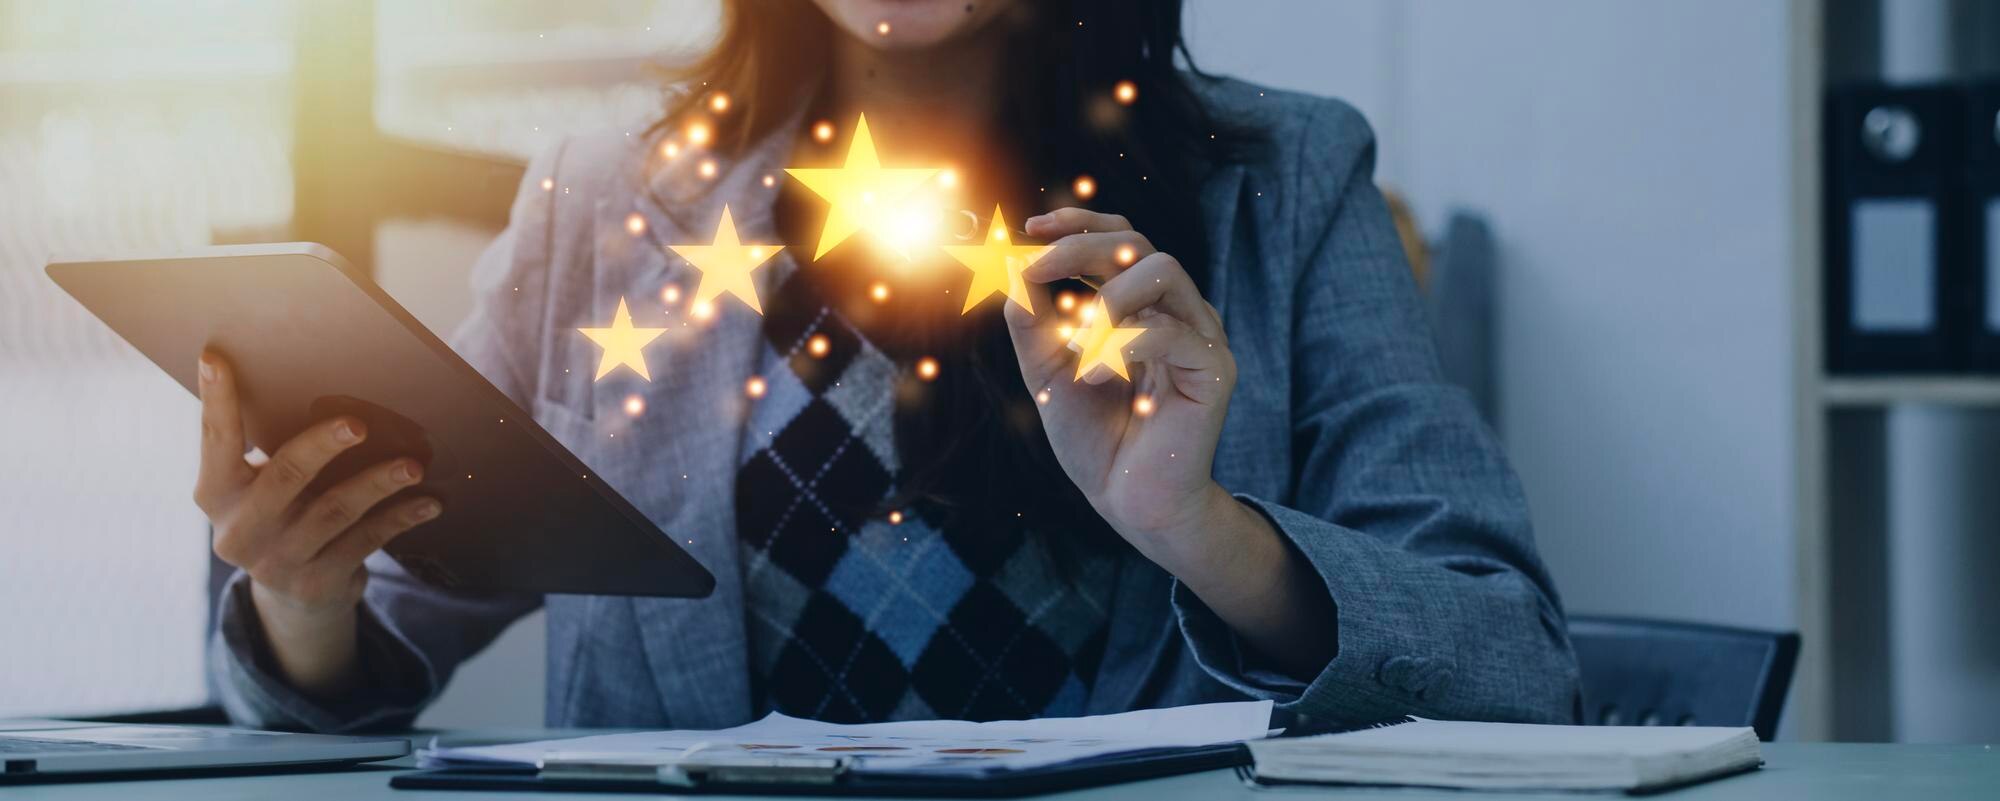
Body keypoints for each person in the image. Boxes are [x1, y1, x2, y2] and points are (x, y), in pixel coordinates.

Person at [195, 0, 1579, 732]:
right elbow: (362, 658)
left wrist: (1200, 532)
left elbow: (1516, 664)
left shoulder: (1283, 183)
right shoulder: (601, 203)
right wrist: (301, 595)